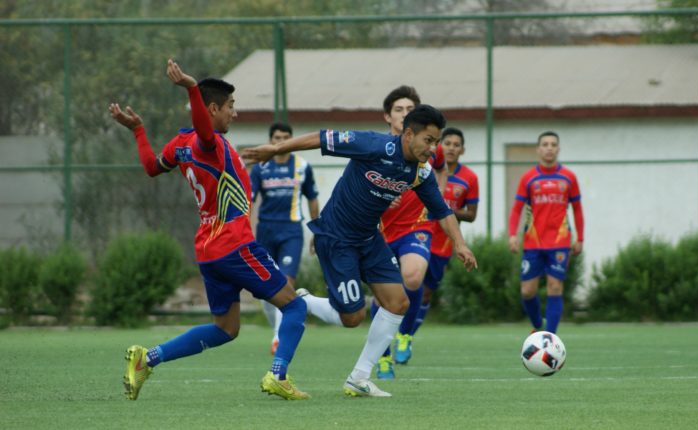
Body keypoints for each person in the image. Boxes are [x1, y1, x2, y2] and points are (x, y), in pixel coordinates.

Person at [242, 104, 478, 398]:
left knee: (398, 303)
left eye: (436, 142)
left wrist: (460, 243)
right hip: (336, 237)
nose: (433, 148)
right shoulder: (374, 145)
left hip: (369, 239)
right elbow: (321, 137)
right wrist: (274, 150)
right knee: (352, 318)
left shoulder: (420, 172)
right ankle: (303, 301)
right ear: (408, 134)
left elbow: (441, 210)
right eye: (428, 140)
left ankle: (359, 377)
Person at [109, 59, 309, 401]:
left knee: (226, 329)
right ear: (212, 108)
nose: (234, 113)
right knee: (294, 307)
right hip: (235, 244)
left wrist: (139, 131)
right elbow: (203, 129)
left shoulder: (179, 144)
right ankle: (278, 376)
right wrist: (190, 87)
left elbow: (151, 167)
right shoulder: (207, 142)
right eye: (230, 106)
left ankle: (148, 358)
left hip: (209, 249)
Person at [371, 85, 444, 378]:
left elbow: (437, 181)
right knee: (383, 298)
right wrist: (384, 195)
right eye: (399, 110)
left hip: (417, 227)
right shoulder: (375, 149)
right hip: (381, 230)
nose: (405, 114)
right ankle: (383, 357)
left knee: (414, 276)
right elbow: (361, 188)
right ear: (388, 116)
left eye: (410, 110)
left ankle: (405, 334)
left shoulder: (427, 150)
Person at [250, 122, 319, 354]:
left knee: (287, 284)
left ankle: (279, 338)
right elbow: (248, 201)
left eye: (285, 138)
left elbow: (312, 198)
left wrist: (317, 229)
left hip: (291, 231)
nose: (281, 142)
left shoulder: (302, 166)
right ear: (270, 141)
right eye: (277, 138)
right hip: (265, 231)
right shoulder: (260, 167)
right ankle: (277, 331)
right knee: (266, 289)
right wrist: (244, 232)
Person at [507, 131, 584, 334]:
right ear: (538, 149)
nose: (549, 148)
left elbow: (577, 209)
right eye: (545, 144)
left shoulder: (568, 177)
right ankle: (537, 325)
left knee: (555, 287)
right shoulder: (528, 178)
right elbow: (516, 209)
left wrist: (580, 238)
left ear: (558, 149)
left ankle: (550, 337)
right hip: (533, 242)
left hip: (560, 242)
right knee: (527, 291)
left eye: (553, 144)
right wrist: (513, 235)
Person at [412, 127, 479, 336]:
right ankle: (399, 333)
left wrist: (444, 211)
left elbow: (471, 215)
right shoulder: (424, 168)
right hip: (417, 234)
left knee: (425, 293)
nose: (451, 148)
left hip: (443, 243)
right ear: (439, 146)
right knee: (408, 286)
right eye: (447, 143)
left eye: (456, 145)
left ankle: (408, 336)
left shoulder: (469, 178)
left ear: (462, 150)